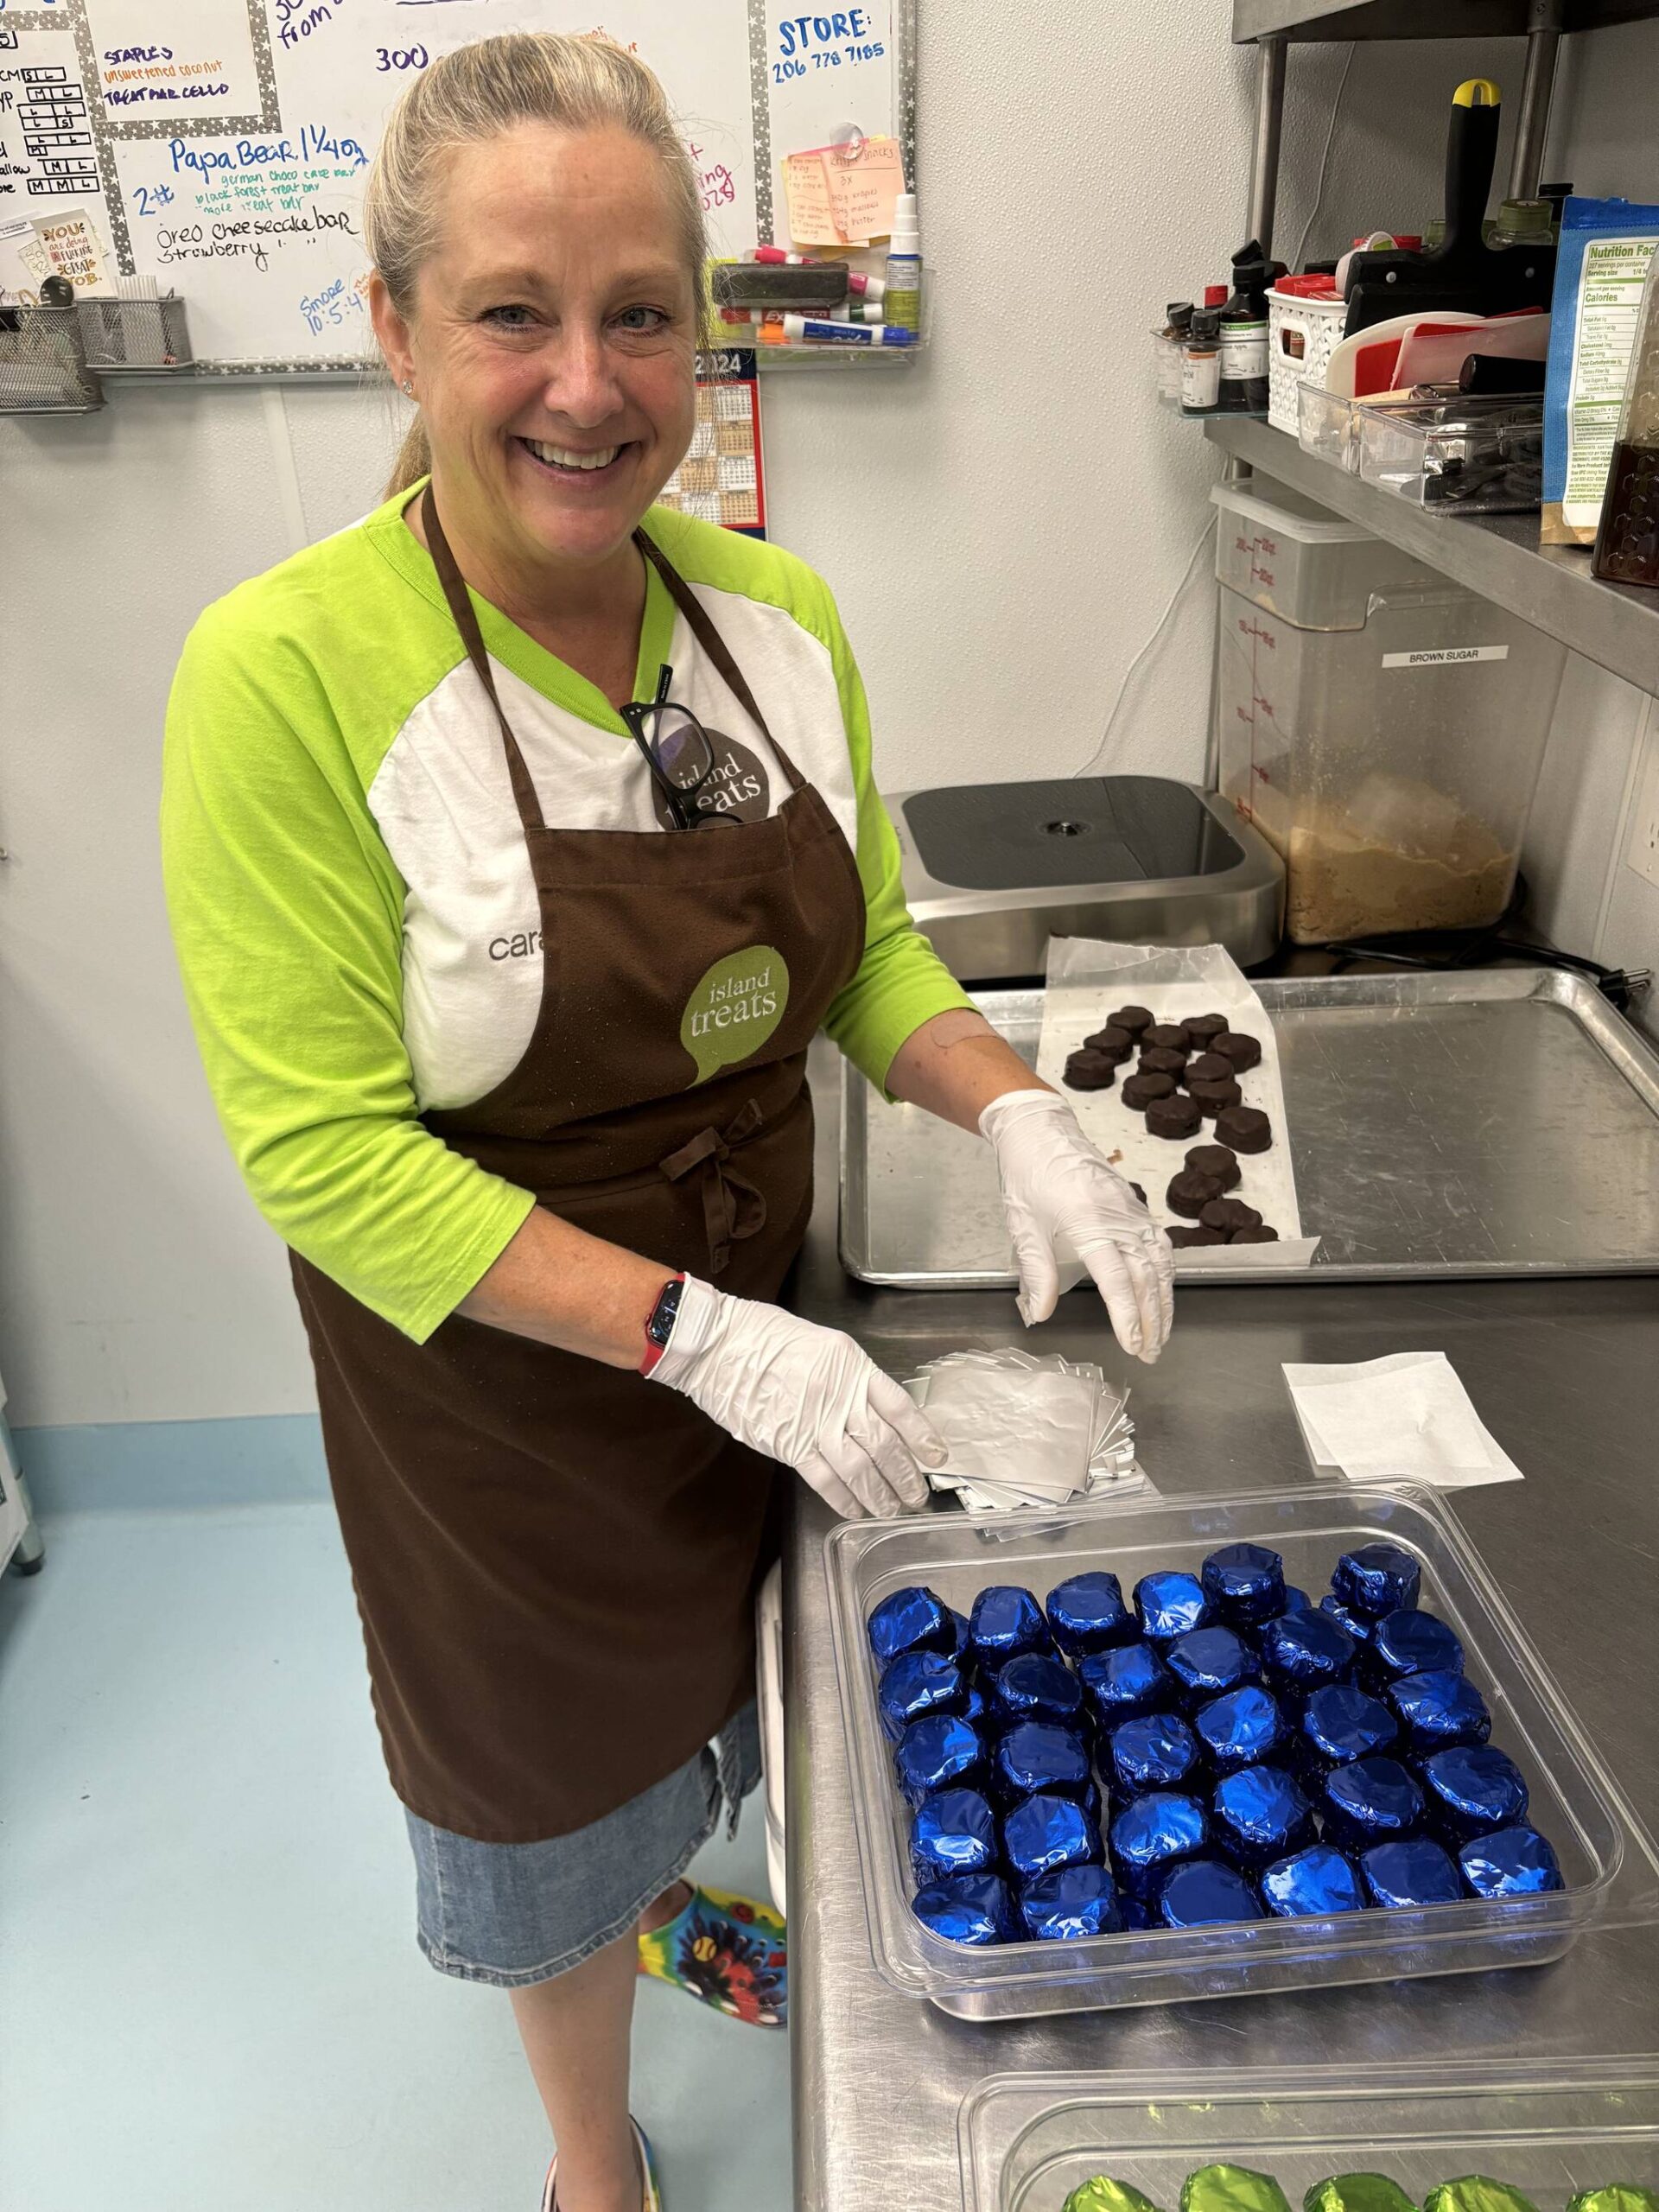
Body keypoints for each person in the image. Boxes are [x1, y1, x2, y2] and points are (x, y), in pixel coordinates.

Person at [161, 33, 1173, 2212]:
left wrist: (1019, 1113)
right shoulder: (286, 673)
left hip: (775, 1306)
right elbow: (324, 1154)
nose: (589, 385)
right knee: (549, 1776)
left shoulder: (772, 616)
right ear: (397, 331)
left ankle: (707, 1896)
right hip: (506, 1389)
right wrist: (696, 1337)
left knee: (772, 1685)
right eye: (513, 312)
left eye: (640, 313)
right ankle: (586, 2150)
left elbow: (868, 951)